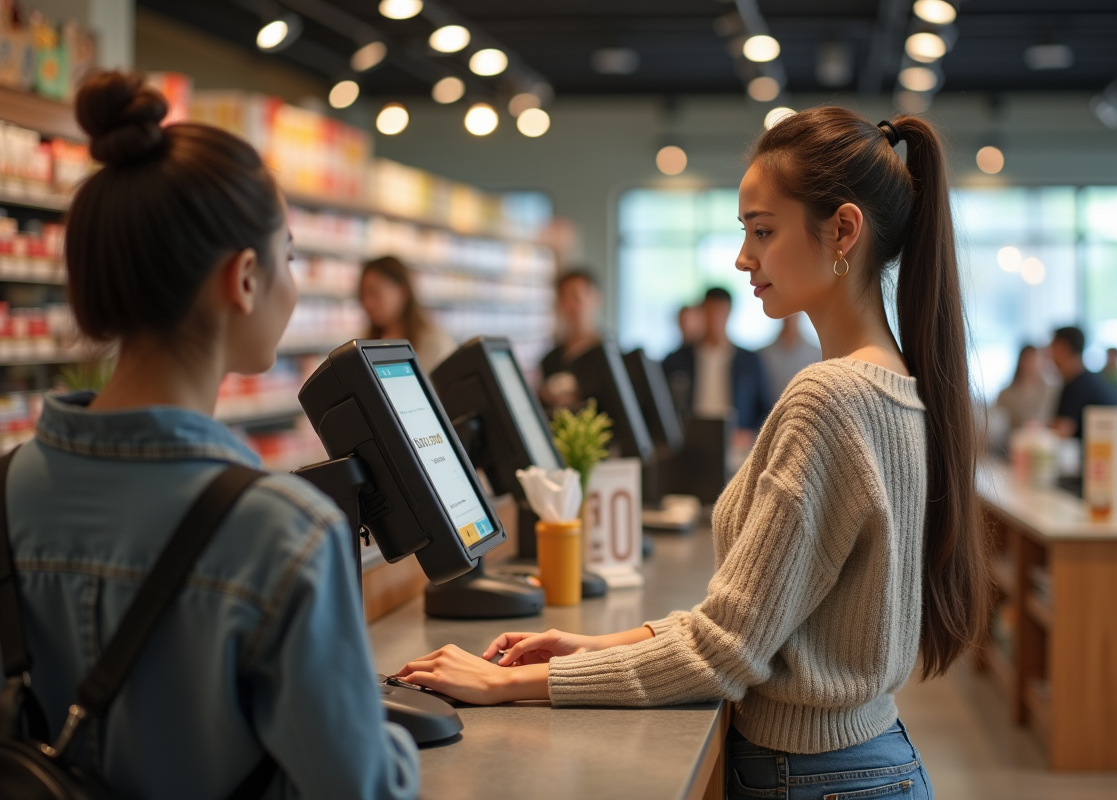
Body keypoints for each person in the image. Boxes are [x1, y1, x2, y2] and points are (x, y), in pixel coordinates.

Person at [398, 109, 988, 800]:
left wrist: (511, 683)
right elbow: (756, 621)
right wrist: (593, 647)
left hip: (816, 780)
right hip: (861, 766)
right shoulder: (893, 384)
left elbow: (724, 653)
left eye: (762, 232)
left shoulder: (830, 397)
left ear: (844, 231)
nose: (744, 259)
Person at [3, 72, 419, 799]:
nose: (294, 284)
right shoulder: (285, 533)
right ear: (245, 279)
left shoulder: (7, 489)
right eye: (288, 257)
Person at [661, 287, 774, 441]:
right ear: (702, 312)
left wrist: (750, 433)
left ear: (729, 313)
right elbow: (662, 405)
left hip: (735, 444)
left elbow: (765, 409)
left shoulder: (750, 360)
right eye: (710, 311)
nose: (715, 317)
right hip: (690, 440)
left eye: (720, 311)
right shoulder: (676, 360)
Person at [360, 255, 456, 371]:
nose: (367, 303)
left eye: (374, 293)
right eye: (363, 294)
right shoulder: (364, 342)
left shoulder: (436, 344)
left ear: (402, 291)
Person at [1049, 326, 1117, 439]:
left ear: (1062, 348)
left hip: (1105, 454)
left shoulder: (1077, 386)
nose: (1050, 356)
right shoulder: (1089, 381)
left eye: (1052, 348)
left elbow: (1060, 430)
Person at [539, 269, 604, 399]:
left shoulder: (611, 357)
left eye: (577, 296)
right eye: (565, 298)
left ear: (595, 298)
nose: (572, 305)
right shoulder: (550, 360)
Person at [758, 313, 822, 400]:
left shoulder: (816, 354)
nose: (790, 317)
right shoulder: (763, 354)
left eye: (794, 313)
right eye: (786, 314)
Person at [994, 344, 1056, 430]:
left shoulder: (1051, 391)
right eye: (1027, 360)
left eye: (1034, 360)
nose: (1031, 364)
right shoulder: (1005, 394)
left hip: (1043, 438)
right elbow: (998, 422)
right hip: (1013, 439)